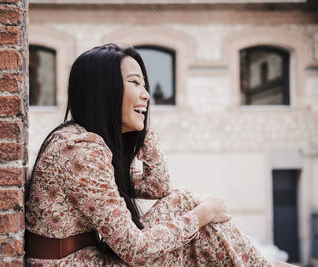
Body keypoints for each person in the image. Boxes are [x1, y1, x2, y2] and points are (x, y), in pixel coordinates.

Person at [25, 44, 294, 266]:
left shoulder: (82, 141)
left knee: (183, 200)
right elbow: (136, 249)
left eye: (145, 86)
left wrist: (143, 128)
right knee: (196, 216)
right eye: (135, 83)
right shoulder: (81, 149)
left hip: (85, 259)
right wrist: (203, 214)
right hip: (71, 263)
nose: (147, 95)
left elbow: (158, 187)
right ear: (105, 90)